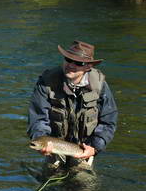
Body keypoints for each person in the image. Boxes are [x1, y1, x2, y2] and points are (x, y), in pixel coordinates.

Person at [27, 40, 118, 174]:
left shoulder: (99, 86)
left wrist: (94, 148)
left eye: (78, 63)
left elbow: (108, 121)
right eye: (68, 59)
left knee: (83, 187)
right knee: (49, 185)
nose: (71, 65)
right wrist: (41, 139)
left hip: (84, 149)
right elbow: (38, 118)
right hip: (54, 148)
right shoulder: (46, 82)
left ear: (88, 66)